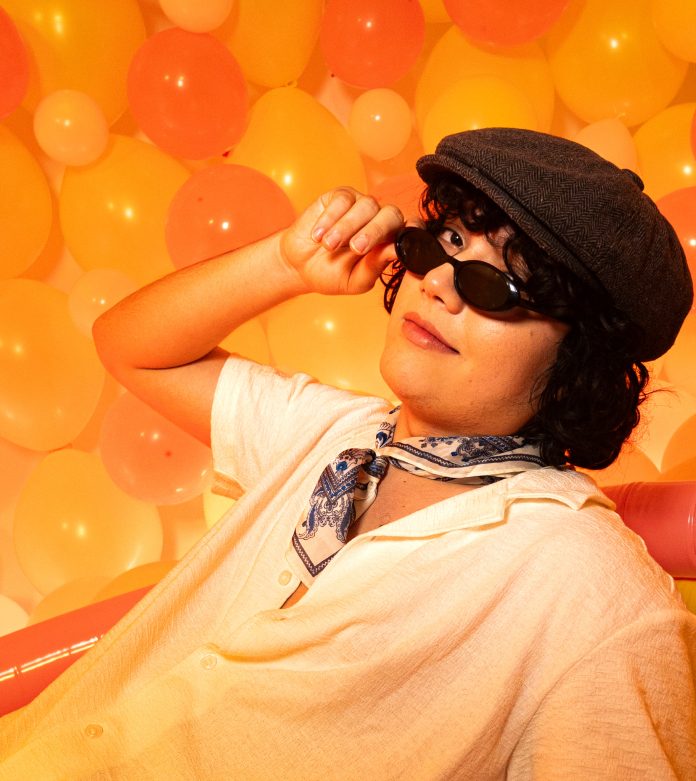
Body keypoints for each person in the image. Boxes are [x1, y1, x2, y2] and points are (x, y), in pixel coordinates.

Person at [1, 128, 695, 779]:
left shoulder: (592, 593)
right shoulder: (330, 431)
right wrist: (285, 263)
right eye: (446, 242)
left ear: (578, 364)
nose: (440, 283)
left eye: (499, 284)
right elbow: (132, 348)